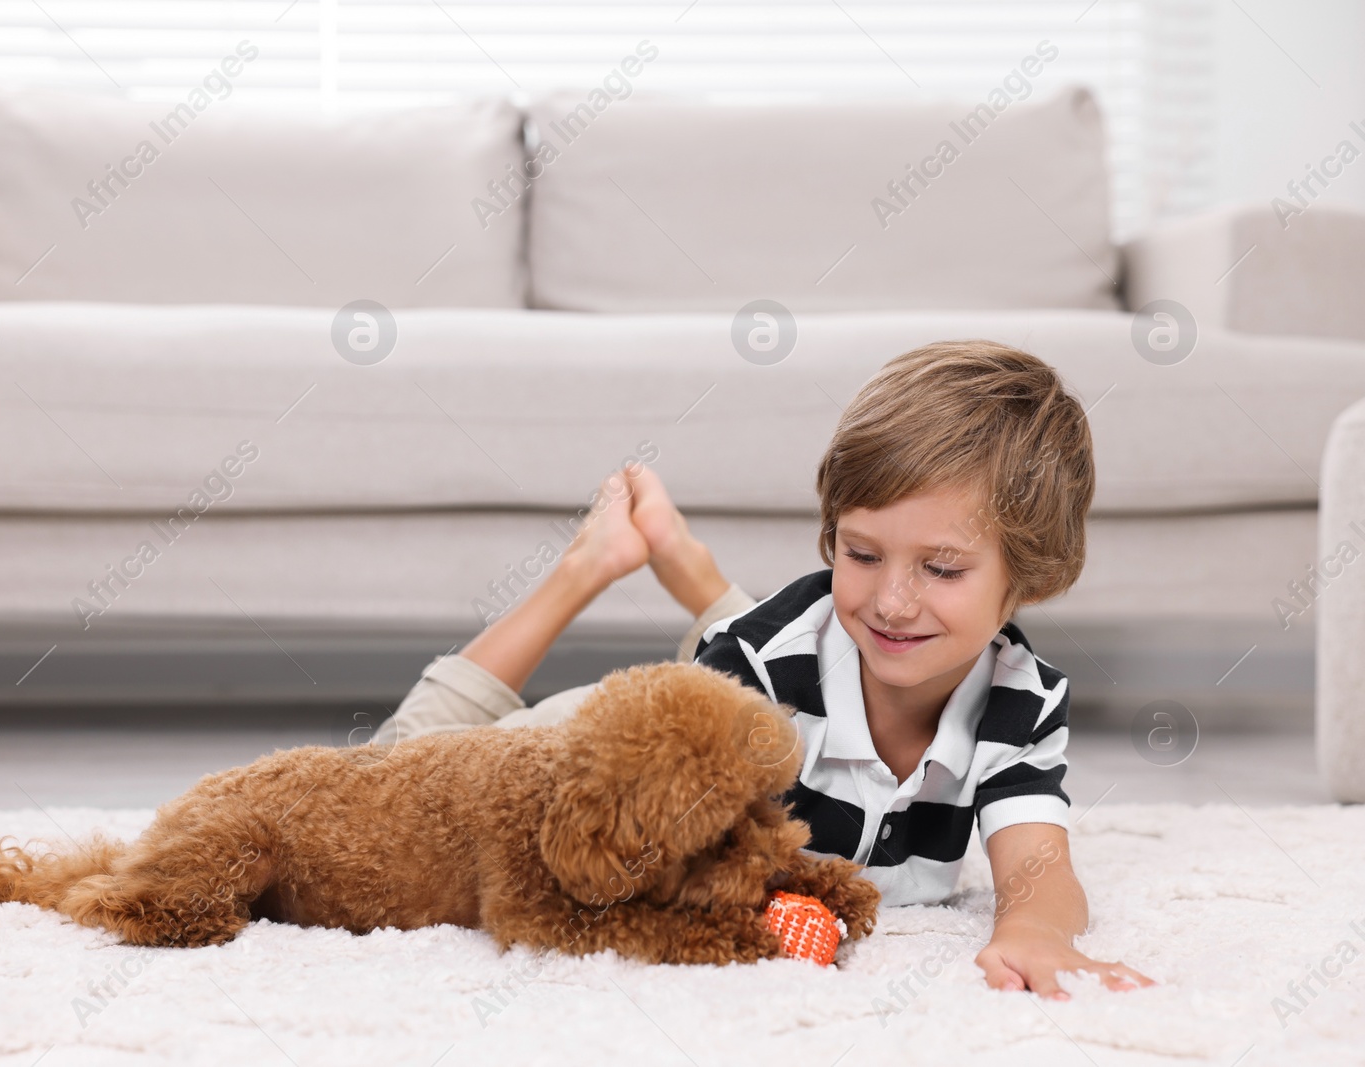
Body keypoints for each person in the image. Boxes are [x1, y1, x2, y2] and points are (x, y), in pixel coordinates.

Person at [374, 340, 1154, 998]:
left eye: (941, 569)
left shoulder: (1024, 694)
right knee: (398, 776)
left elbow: (1042, 867)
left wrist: (1035, 930)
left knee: (789, 645)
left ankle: (692, 569)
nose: (891, 600)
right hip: (685, 724)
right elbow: (663, 857)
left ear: (1026, 579)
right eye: (862, 552)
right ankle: (588, 565)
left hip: (760, 662)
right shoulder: (759, 670)